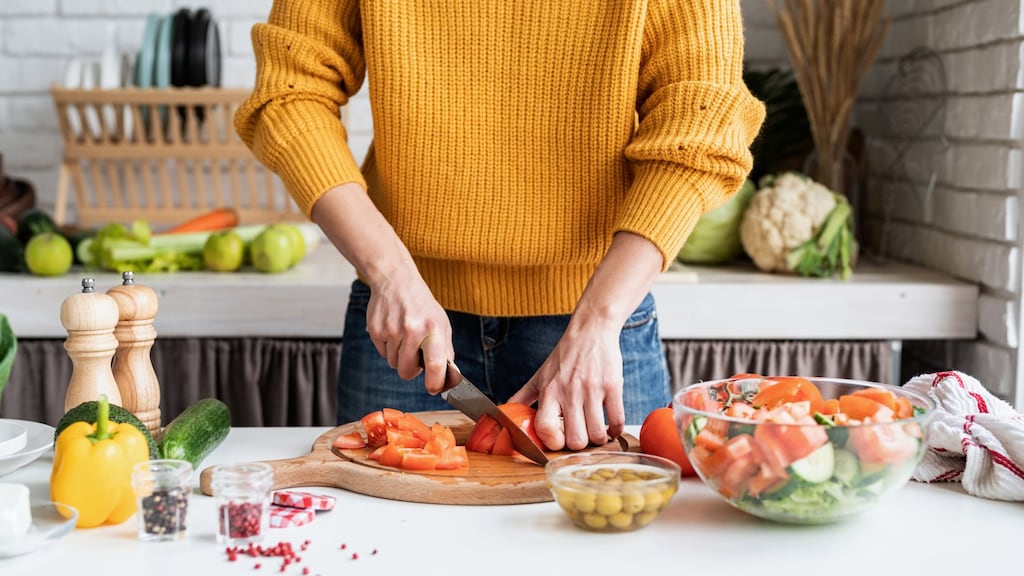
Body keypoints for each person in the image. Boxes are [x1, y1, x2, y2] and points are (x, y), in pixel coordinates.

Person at [236, 0, 765, 451]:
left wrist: (598, 319)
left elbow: (701, 126)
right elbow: (290, 94)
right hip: (407, 325)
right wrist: (390, 272)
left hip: (597, 327)